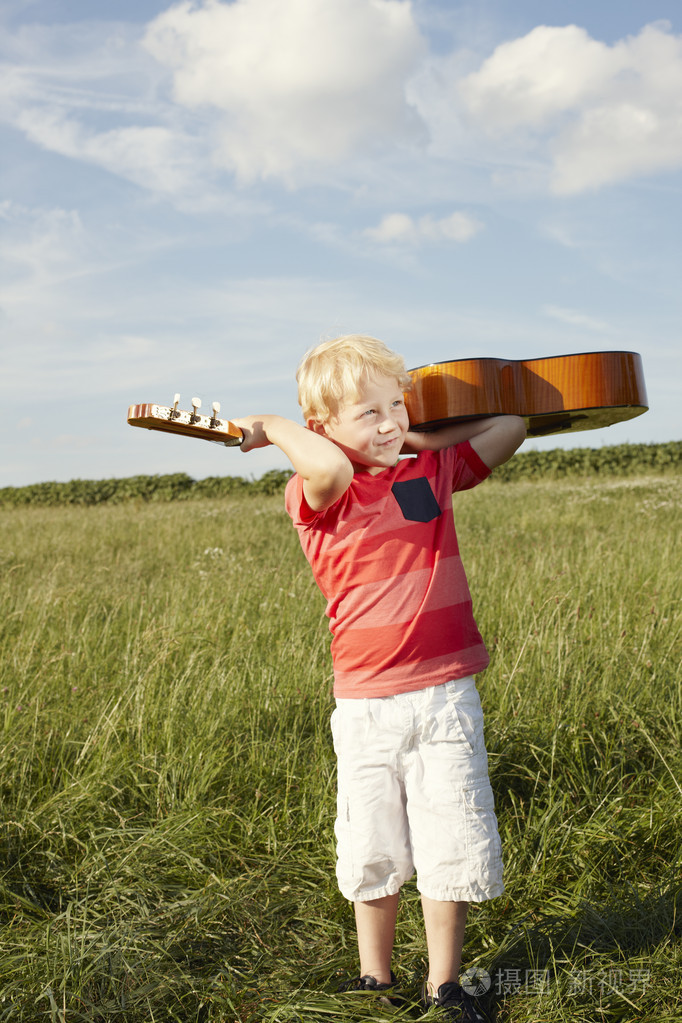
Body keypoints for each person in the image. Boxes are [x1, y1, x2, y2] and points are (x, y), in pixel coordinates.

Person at [232, 335, 526, 1022]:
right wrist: (276, 427)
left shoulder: (431, 469)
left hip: (446, 694)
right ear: (321, 429)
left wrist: (411, 427)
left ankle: (445, 985)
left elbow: (511, 424)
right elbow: (328, 466)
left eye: (397, 404)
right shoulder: (318, 494)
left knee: (448, 832)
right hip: (366, 705)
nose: (390, 421)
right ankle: (375, 978)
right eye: (369, 412)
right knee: (374, 841)